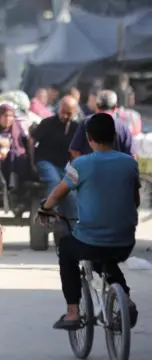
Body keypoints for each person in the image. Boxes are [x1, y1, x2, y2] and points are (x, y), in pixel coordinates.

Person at [37, 112, 139, 330]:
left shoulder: (80, 165)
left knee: (66, 249)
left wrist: (45, 208)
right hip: (125, 240)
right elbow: (135, 199)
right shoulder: (130, 165)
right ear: (114, 137)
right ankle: (126, 300)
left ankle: (73, 312)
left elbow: (58, 194)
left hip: (91, 240)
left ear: (89, 138)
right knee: (108, 259)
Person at [29, 96, 79, 221]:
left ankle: (75, 227)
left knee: (72, 193)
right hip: (45, 161)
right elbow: (31, 140)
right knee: (54, 181)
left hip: (63, 165)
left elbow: (75, 150)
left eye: (69, 113)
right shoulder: (48, 123)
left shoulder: (75, 127)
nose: (66, 116)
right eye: (63, 112)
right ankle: (50, 213)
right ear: (59, 109)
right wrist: (32, 162)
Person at [69, 90, 136, 159]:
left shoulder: (86, 122)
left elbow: (74, 150)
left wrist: (84, 166)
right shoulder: (122, 127)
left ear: (97, 106)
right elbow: (131, 156)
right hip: (115, 169)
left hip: (91, 168)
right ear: (115, 107)